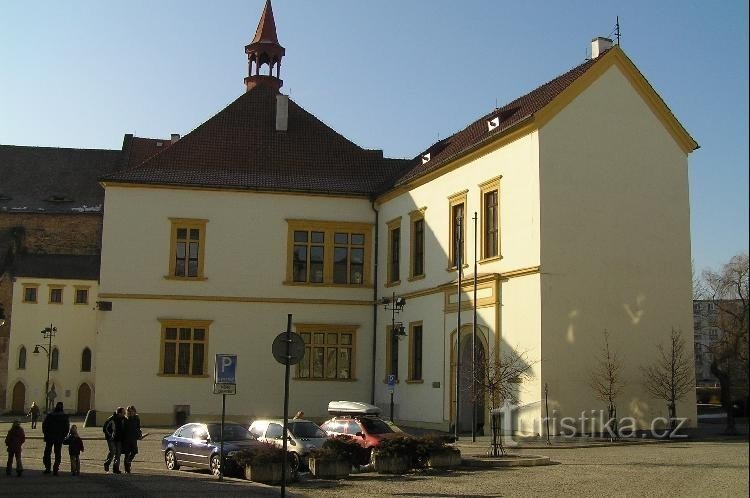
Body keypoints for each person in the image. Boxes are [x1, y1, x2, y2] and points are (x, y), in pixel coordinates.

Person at [42, 402, 70, 475]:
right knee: (57, 453)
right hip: (59, 438)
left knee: (47, 453)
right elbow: (67, 428)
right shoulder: (64, 416)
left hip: (49, 437)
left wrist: (46, 434)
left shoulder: (50, 415)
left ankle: (47, 468)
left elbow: (44, 425)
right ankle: (55, 469)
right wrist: (64, 435)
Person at [103, 407, 126, 473]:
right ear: (119, 413)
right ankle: (107, 463)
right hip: (111, 439)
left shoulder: (124, 419)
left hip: (119, 439)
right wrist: (110, 436)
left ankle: (116, 469)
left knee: (118, 454)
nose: (124, 413)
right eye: (123, 412)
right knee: (113, 451)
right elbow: (105, 428)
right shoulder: (111, 419)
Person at [122, 405, 142, 473]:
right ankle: (127, 469)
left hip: (133, 438)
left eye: (131, 411)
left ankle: (129, 461)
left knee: (134, 451)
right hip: (126, 439)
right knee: (127, 454)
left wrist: (139, 434)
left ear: (134, 411)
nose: (129, 412)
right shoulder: (124, 419)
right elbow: (122, 429)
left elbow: (138, 427)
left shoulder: (136, 418)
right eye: (128, 411)